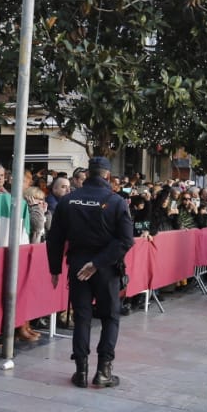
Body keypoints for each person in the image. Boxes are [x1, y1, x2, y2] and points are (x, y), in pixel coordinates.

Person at [46, 156, 134, 388]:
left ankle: (81, 371)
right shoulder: (116, 202)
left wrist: (55, 268)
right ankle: (104, 371)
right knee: (110, 317)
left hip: (78, 265)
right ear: (107, 175)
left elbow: (54, 238)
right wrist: (98, 263)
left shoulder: (69, 200)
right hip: (105, 267)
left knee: (82, 317)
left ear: (87, 174)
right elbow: (126, 240)